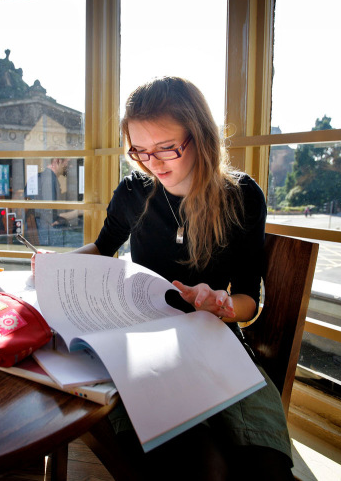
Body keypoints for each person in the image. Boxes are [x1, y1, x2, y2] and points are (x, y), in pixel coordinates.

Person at [33, 77, 291, 479]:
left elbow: (247, 300)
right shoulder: (134, 191)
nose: (152, 163)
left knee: (264, 468)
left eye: (166, 148)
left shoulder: (241, 196)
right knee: (201, 468)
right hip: (140, 346)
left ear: (200, 136)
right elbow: (102, 248)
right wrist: (56, 267)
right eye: (139, 151)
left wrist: (221, 305)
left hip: (214, 340)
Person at [26, 157, 79, 246]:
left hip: (42, 231)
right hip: (48, 234)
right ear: (57, 160)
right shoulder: (49, 179)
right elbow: (51, 217)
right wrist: (78, 212)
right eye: (67, 162)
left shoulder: (40, 177)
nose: (69, 165)